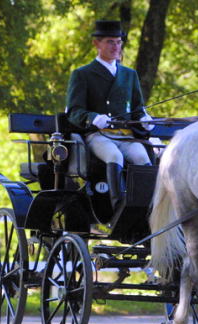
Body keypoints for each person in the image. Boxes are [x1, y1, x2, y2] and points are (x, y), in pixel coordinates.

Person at [66, 20, 154, 212]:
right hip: (98, 135)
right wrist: (93, 117)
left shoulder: (129, 75)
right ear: (97, 44)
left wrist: (145, 120)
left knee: (141, 156)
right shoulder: (83, 74)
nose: (116, 46)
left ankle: (147, 207)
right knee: (114, 155)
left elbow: (137, 108)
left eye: (119, 42)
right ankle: (118, 205)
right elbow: (73, 111)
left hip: (125, 135)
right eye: (110, 42)